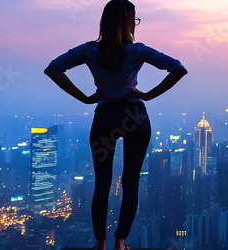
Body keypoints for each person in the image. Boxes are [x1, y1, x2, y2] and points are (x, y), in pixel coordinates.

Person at [44, 0, 187, 249]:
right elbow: (178, 68)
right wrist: (148, 95)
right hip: (135, 117)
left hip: (105, 117)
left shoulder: (89, 50)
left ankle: (100, 243)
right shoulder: (139, 51)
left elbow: (53, 69)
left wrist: (85, 98)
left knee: (102, 183)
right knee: (131, 181)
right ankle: (120, 242)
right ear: (129, 23)